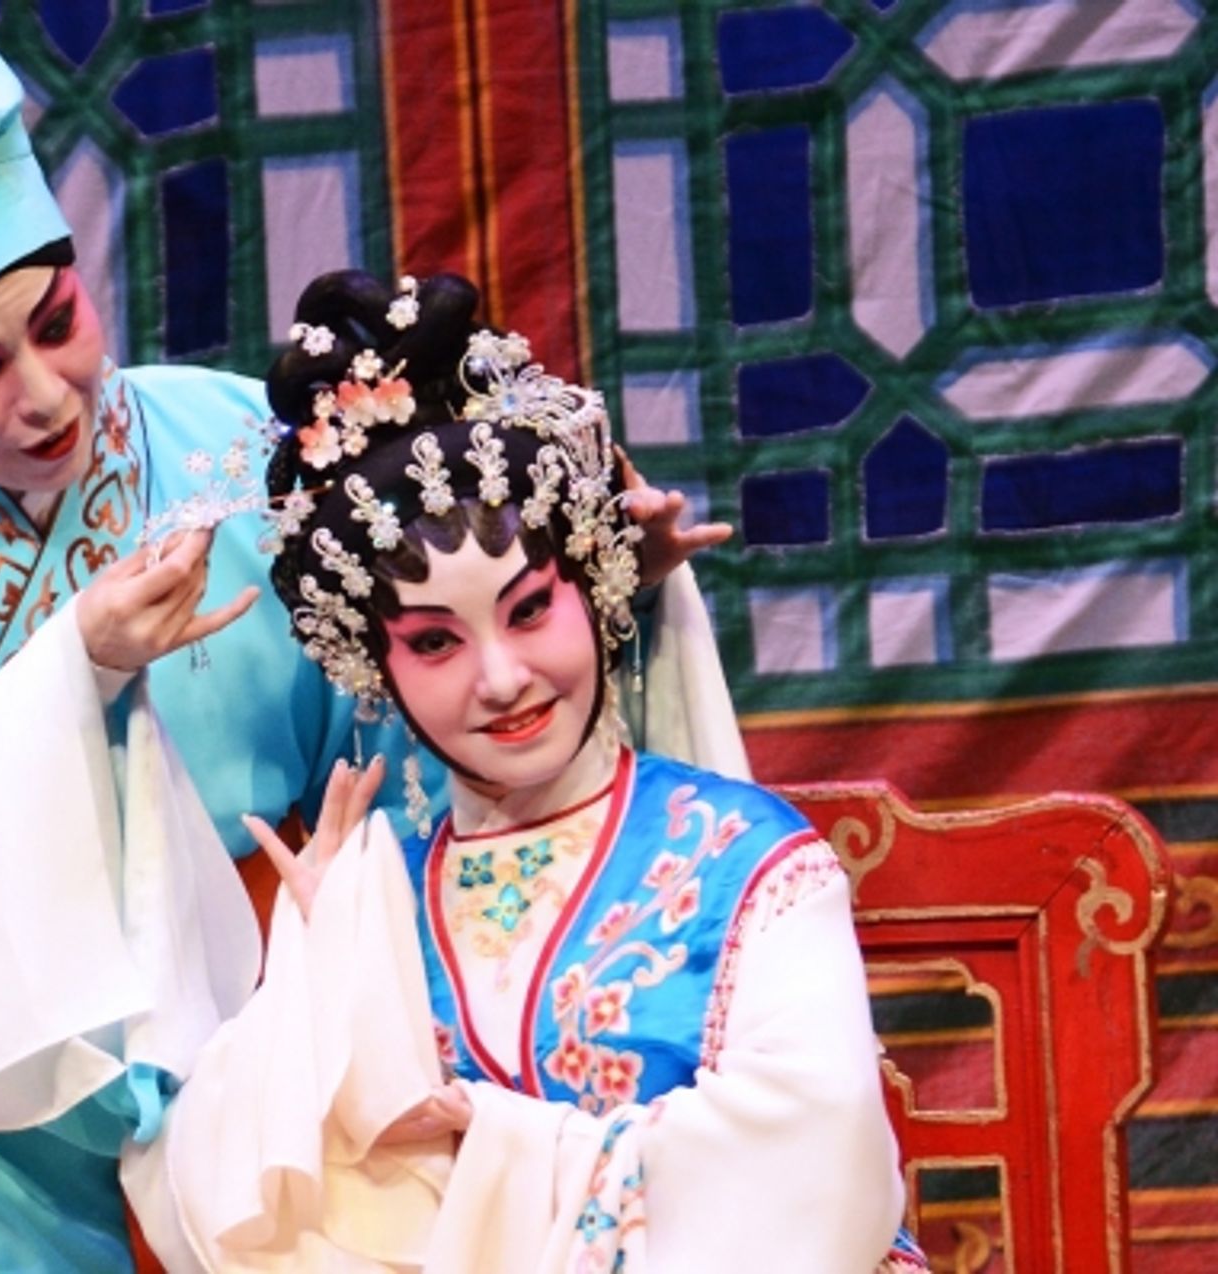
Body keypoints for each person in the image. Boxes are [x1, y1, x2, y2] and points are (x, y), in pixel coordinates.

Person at [0, 31, 740, 1272]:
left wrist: (604, 599)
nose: (45, 393)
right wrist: (74, 675)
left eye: (59, 323)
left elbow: (422, 726)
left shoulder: (244, 449)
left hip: (290, 1097)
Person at [127, 271, 925, 1272]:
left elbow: (821, 1160)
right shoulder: (374, 897)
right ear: (375, 667)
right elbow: (229, 1212)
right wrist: (311, 1000)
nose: (501, 679)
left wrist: (498, 1142)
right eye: (433, 641)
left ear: (593, 586)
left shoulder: (751, 861)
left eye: (531, 608)